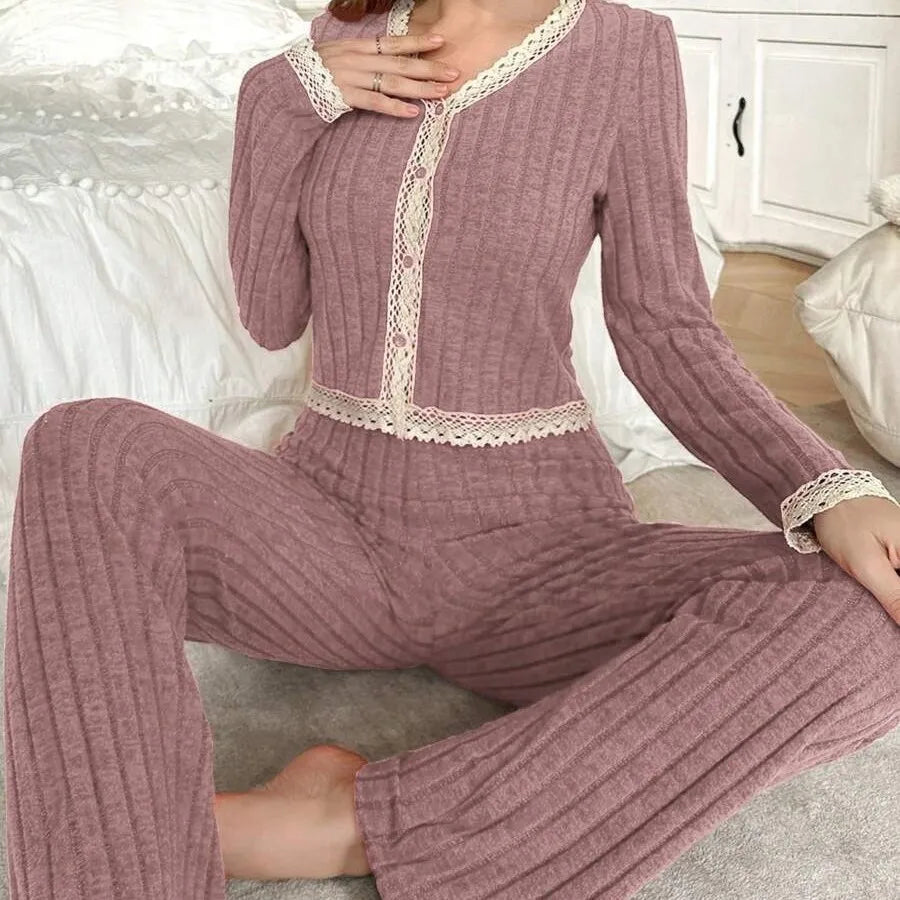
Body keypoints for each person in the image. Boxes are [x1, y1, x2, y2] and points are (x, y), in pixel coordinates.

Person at [5, 0, 900, 898]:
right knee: (88, 446)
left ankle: (336, 826)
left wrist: (824, 484)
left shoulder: (625, 50)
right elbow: (272, 315)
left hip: (545, 560)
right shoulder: (341, 41)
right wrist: (277, 101)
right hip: (329, 540)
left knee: (868, 622)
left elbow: (662, 323)